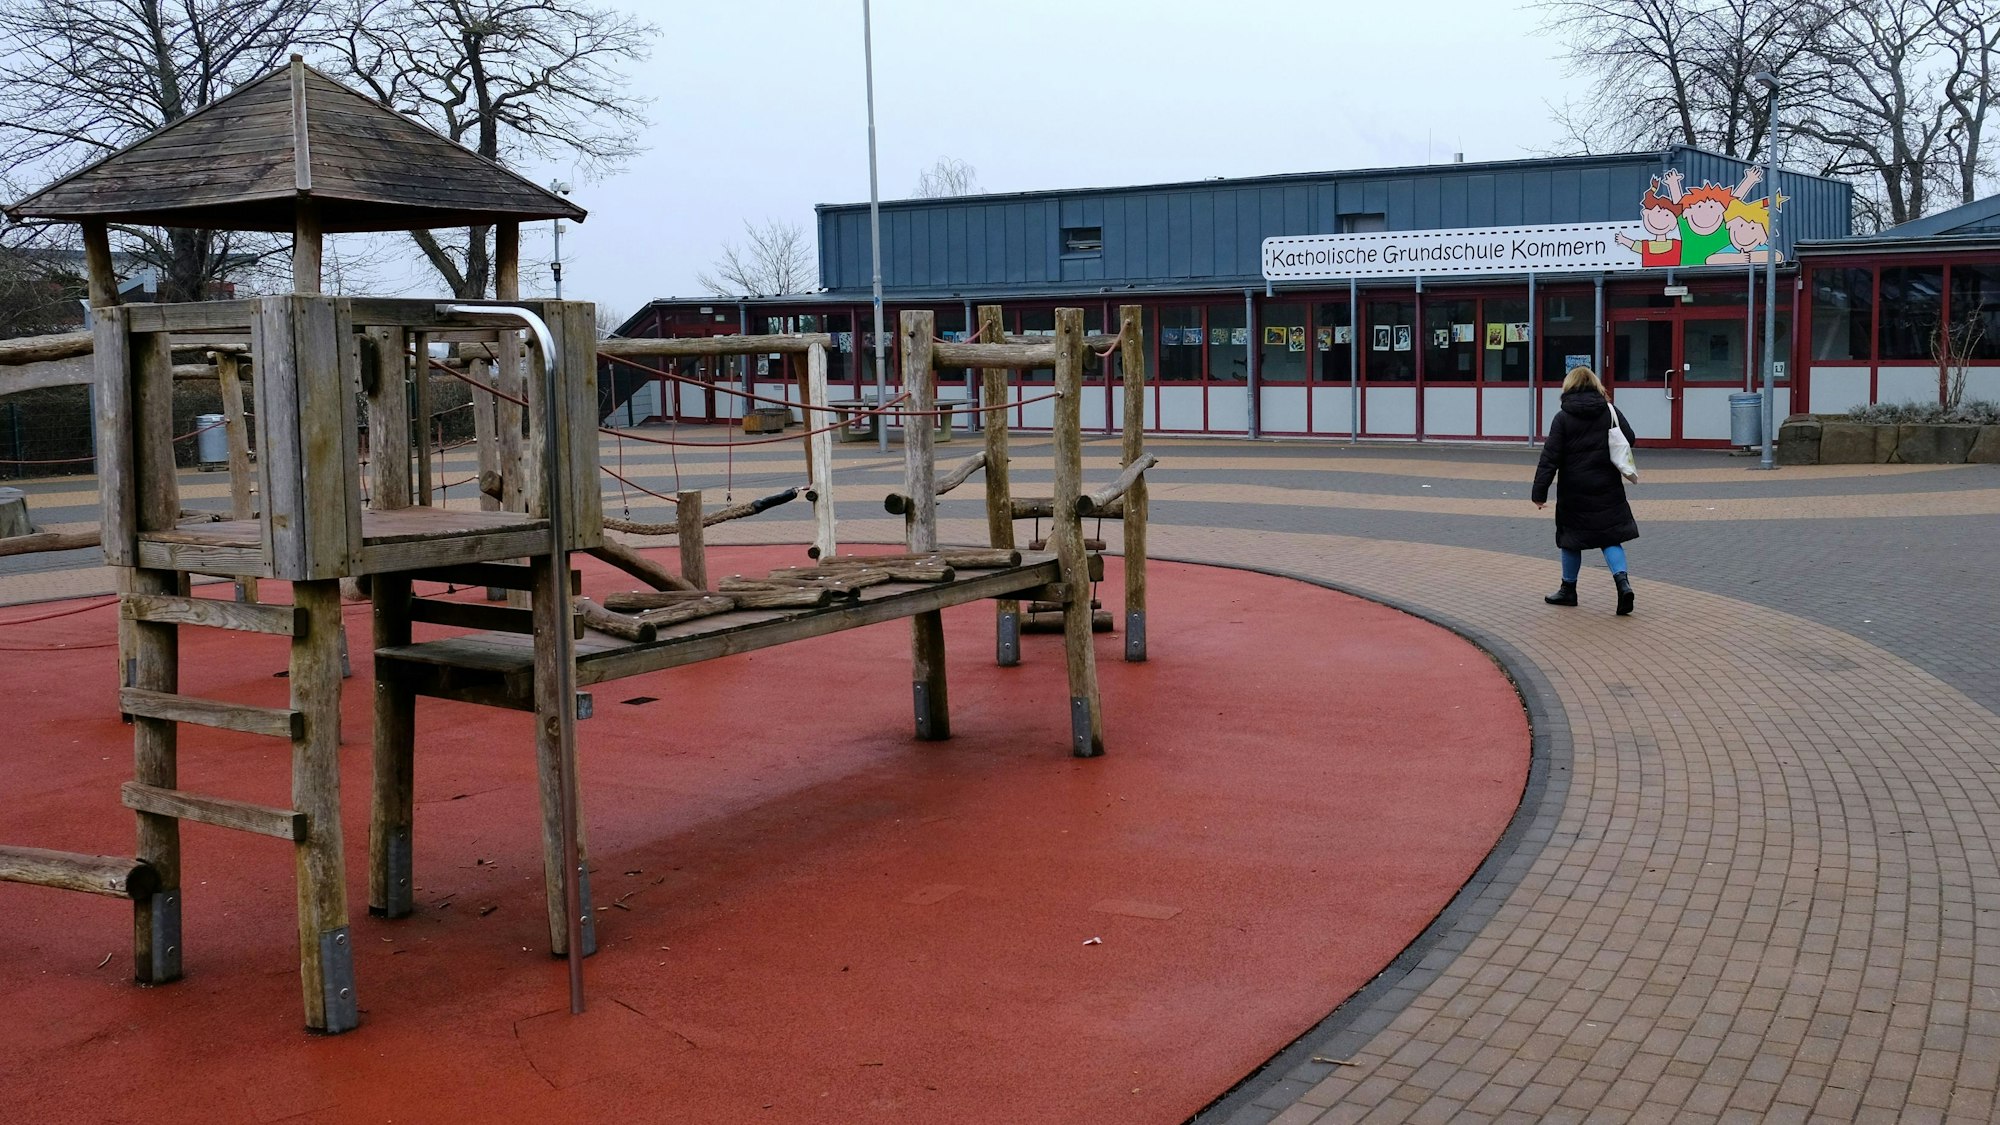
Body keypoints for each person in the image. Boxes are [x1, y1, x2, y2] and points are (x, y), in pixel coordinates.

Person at [1532, 365, 1639, 615]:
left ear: (1568, 386)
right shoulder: (1610, 410)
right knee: (1610, 537)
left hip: (1574, 489)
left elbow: (1550, 457)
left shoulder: (1563, 417)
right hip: (1607, 485)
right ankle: (1623, 584)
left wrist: (1539, 493)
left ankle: (1568, 590)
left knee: (1571, 539)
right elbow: (1630, 438)